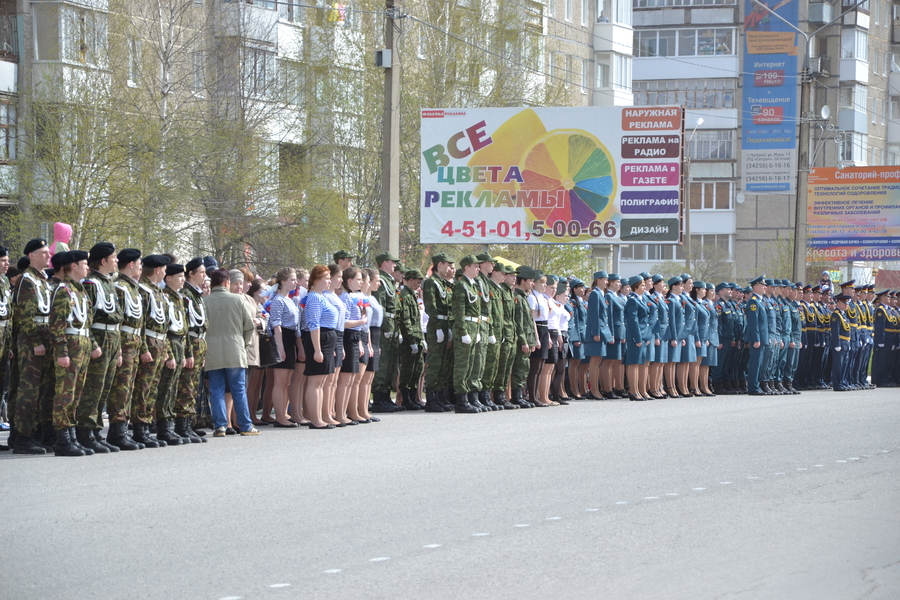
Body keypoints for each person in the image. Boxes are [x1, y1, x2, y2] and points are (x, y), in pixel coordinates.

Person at [48, 251, 96, 456]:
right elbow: (57, 325)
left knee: (76, 394)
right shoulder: (64, 291)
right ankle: (63, 440)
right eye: (84, 264)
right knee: (65, 394)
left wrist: (91, 345)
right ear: (73, 266)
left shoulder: (80, 291)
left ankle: (72, 435)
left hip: (82, 344)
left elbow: (87, 322)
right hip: (70, 345)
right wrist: (62, 351)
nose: (88, 267)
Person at [77, 242, 122, 452]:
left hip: (112, 337)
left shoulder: (108, 282)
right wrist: (94, 344)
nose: (117, 261)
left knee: (104, 388)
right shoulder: (91, 284)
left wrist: (119, 347)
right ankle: (85, 432)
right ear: (103, 261)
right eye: (114, 257)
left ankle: (95, 431)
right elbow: (86, 317)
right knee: (93, 388)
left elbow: (118, 318)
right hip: (99, 336)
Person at [11, 239, 55, 454]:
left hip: (43, 338)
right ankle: (22, 438)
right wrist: (36, 342)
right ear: (31, 255)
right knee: (28, 391)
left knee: (41, 391)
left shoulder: (42, 279)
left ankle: (35, 434)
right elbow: (25, 315)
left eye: (48, 252)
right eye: (43, 252)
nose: (48, 256)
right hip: (32, 341)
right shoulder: (27, 279)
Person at [204, 268, 259, 436]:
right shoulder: (237, 300)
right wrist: (244, 342)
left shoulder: (204, 301)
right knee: (239, 389)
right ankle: (245, 425)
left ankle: (220, 425)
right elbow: (249, 325)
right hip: (235, 348)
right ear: (227, 282)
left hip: (212, 349)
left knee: (216, 389)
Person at [130, 254, 172, 448]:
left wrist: (168, 351)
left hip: (160, 344)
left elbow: (163, 326)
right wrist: (144, 348)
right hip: (149, 345)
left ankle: (146, 426)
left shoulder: (156, 291)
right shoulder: (143, 291)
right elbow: (141, 323)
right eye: (164, 269)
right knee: (143, 389)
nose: (165, 272)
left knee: (151, 389)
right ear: (157, 269)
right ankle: (140, 428)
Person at [155, 263, 195, 445]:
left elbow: (184, 329)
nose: (183, 280)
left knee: (178, 388)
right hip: (171, 344)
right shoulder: (165, 298)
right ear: (168, 278)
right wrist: (169, 354)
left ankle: (178, 426)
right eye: (179, 276)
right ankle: (165, 428)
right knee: (167, 389)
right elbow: (165, 329)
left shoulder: (180, 298)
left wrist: (189, 353)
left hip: (181, 345)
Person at [302, 265, 339, 429]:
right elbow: (313, 324)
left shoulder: (322, 296)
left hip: (328, 337)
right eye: (326, 278)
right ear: (317, 279)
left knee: (322, 381)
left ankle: (322, 416)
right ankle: (315, 419)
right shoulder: (314, 297)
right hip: (320, 339)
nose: (329, 281)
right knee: (315, 382)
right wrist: (317, 349)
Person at [451, 255, 485, 413]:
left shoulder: (472, 285)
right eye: (475, 266)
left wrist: (476, 330)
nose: (478, 269)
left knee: (471, 365)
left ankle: (471, 397)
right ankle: (461, 399)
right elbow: (459, 312)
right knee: (462, 366)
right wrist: (463, 331)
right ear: (466, 268)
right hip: (465, 327)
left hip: (474, 326)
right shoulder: (461, 285)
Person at [268, 267, 301, 428]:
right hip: (282, 339)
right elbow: (276, 325)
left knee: (287, 381)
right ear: (283, 281)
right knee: (280, 381)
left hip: (290, 339)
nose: (295, 282)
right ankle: (279, 416)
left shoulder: (290, 299)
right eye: (292, 280)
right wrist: (280, 347)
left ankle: (284, 413)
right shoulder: (278, 300)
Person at [422, 253, 455, 412]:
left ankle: (440, 396)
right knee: (435, 364)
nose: (449, 268)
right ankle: (431, 398)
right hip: (437, 326)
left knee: (444, 364)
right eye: (447, 265)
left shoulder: (444, 283)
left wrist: (448, 328)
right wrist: (439, 329)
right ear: (439, 265)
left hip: (445, 323)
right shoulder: (430, 283)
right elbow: (431, 308)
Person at [371, 251, 401, 412]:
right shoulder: (381, 280)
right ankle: (378, 398)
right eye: (392, 262)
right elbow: (380, 306)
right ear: (384, 263)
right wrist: (387, 327)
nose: (395, 265)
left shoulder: (389, 281)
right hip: (385, 327)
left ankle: (386, 397)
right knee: (382, 364)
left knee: (390, 364)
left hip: (392, 325)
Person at [397, 269, 426, 410]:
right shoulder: (404, 295)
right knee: (408, 369)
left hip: (417, 336)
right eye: (417, 282)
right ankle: (406, 398)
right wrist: (412, 341)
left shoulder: (412, 295)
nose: (418, 286)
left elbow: (417, 320)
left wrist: (420, 338)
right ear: (409, 280)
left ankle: (413, 397)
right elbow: (406, 320)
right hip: (410, 339)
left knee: (417, 368)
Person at [584, 271, 611, 399]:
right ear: (598, 280)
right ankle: (593, 390)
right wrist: (596, 332)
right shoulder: (595, 294)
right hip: (596, 332)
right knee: (594, 361)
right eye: (605, 280)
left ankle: (596, 390)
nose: (606, 282)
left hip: (601, 331)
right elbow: (594, 315)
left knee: (598, 360)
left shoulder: (601, 294)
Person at [745, 276, 769, 395]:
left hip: (762, 337)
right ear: (756, 287)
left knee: (759, 363)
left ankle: (756, 385)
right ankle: (753, 387)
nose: (765, 287)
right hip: (758, 339)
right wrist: (756, 339)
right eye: (763, 285)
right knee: (755, 363)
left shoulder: (760, 301)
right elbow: (753, 323)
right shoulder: (753, 301)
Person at [830, 294, 852, 391]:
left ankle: (842, 382)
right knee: (838, 365)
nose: (846, 305)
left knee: (844, 364)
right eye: (844, 303)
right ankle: (837, 384)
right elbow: (835, 331)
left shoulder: (843, 315)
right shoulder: (836, 314)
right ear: (838, 303)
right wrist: (837, 344)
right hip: (840, 343)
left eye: (847, 303)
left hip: (845, 343)